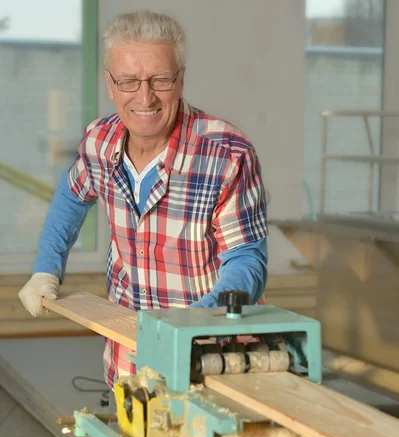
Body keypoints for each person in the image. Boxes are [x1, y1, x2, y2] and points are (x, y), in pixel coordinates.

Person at [18, 10, 268, 388]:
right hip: (126, 358)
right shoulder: (98, 142)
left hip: (208, 359)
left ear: (181, 79)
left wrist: (189, 323)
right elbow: (71, 195)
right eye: (129, 81)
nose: (145, 97)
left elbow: (247, 261)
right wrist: (46, 269)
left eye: (161, 80)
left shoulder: (226, 155)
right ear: (110, 83)